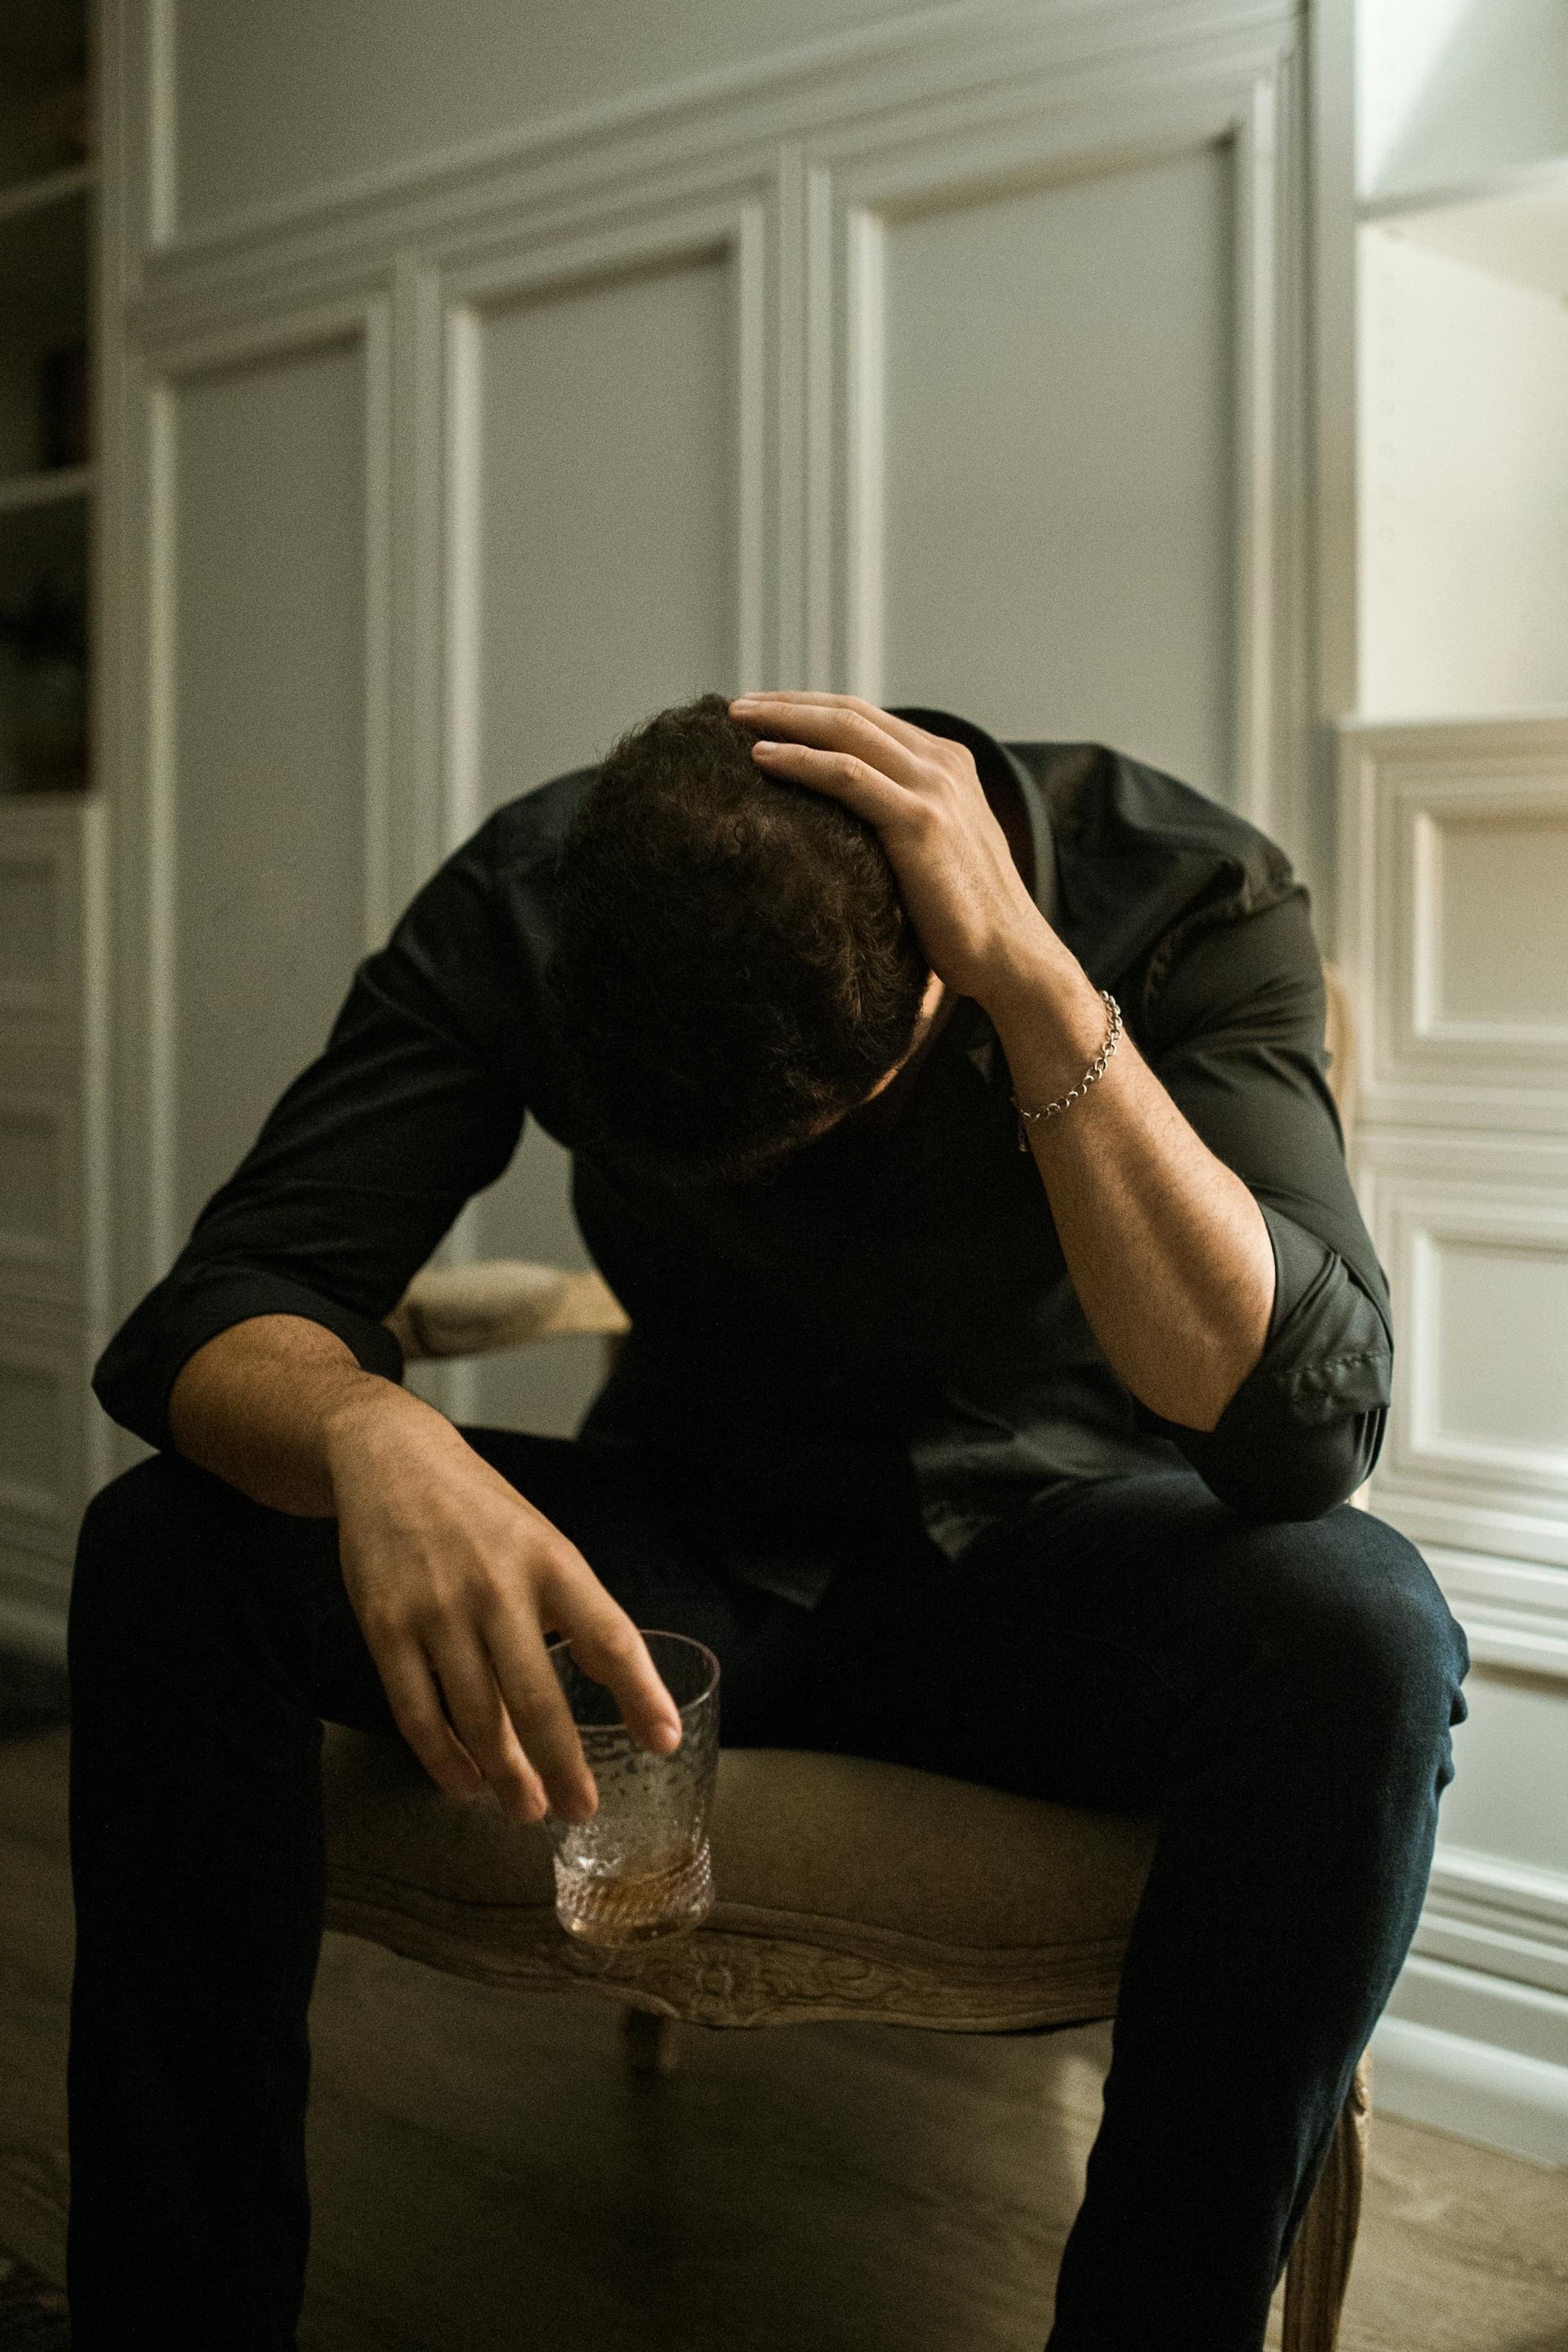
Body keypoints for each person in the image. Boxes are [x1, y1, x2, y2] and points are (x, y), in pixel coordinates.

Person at [68, 691, 1468, 2351]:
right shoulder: (532, 892)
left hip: (1047, 1575)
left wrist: (1032, 983)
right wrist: (366, 1425)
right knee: (168, 1542)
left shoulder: (1181, 895)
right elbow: (215, 1305)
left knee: (1364, 1630)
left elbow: (1305, 1428)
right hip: (676, 1573)